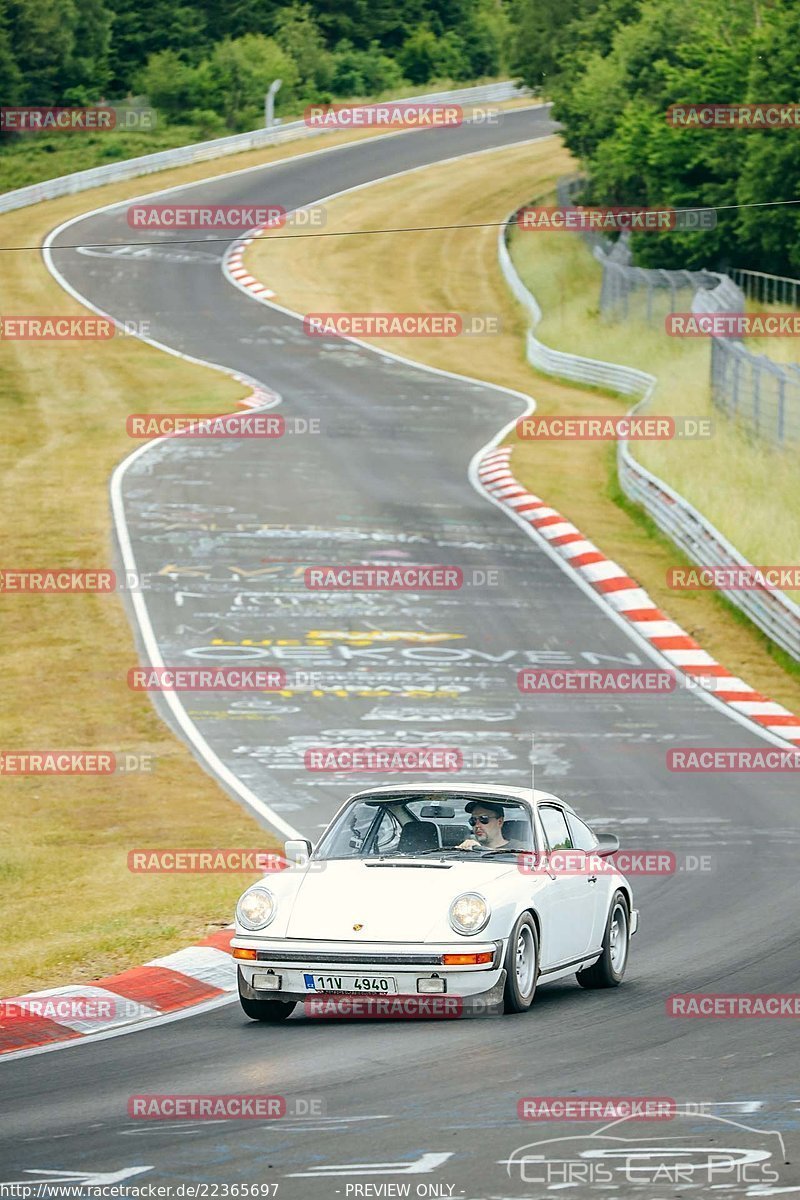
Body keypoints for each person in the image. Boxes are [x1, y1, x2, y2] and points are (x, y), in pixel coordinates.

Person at [454, 800, 524, 852]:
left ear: (500, 822)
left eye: (484, 819)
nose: (477, 825)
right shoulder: (470, 847)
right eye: (473, 820)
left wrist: (482, 849)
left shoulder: (521, 848)